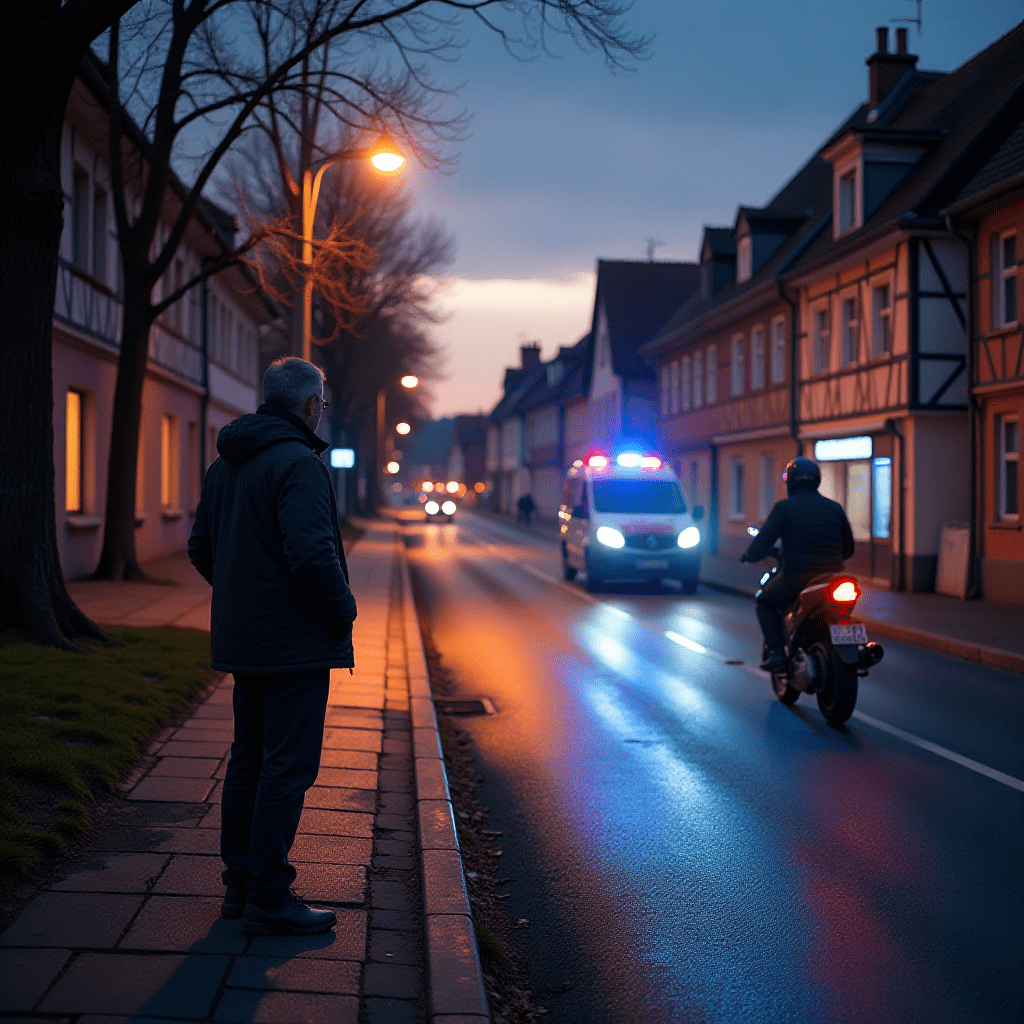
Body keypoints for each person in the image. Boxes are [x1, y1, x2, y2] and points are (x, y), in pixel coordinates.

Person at [188, 357, 357, 936]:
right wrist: (343, 611)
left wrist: (243, 597)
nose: (323, 412)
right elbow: (312, 556)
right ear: (309, 405)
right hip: (295, 645)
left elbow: (200, 549)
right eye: (323, 404)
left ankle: (238, 887)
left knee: (248, 760)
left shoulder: (224, 465)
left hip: (246, 641)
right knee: (287, 766)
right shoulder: (299, 465)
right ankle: (269, 895)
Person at [740, 456, 854, 672]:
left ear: (791, 482)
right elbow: (848, 548)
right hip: (833, 577)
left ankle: (776, 653)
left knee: (764, 602)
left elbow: (763, 542)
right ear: (816, 480)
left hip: (797, 575)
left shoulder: (784, 508)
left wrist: (749, 555)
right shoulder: (834, 508)